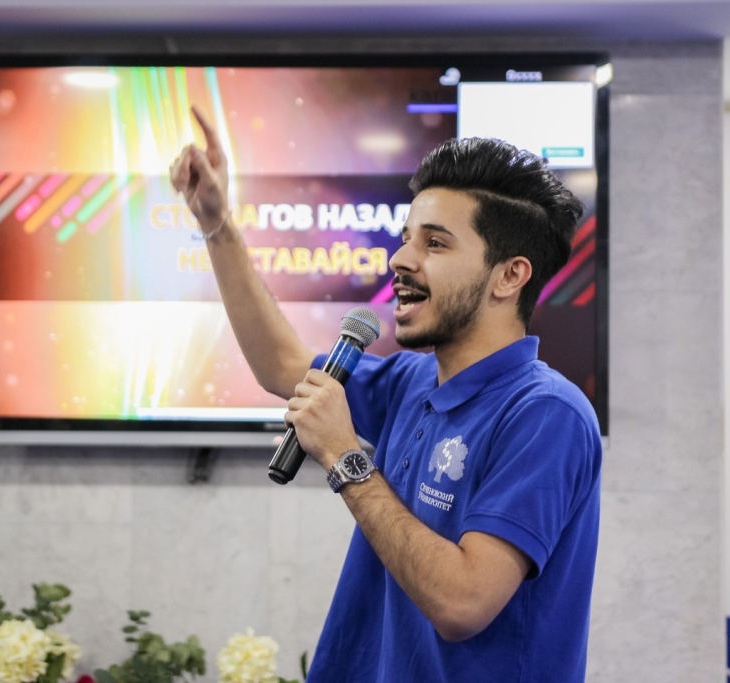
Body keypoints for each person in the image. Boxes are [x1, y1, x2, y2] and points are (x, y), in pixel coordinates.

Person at [170, 106, 602, 683]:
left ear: (509, 276)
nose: (400, 259)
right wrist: (216, 222)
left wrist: (345, 458)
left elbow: (463, 603)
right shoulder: (412, 380)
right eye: (405, 240)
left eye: (435, 243)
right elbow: (281, 365)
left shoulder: (546, 414)